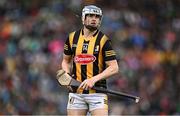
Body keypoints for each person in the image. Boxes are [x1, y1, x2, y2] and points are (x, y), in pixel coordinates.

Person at [59, 5, 119, 115]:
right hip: (76, 93)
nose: (94, 19)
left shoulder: (103, 40)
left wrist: (93, 80)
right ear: (83, 18)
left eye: (97, 17)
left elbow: (114, 67)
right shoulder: (72, 38)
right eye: (90, 16)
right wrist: (67, 75)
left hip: (98, 92)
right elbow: (66, 61)